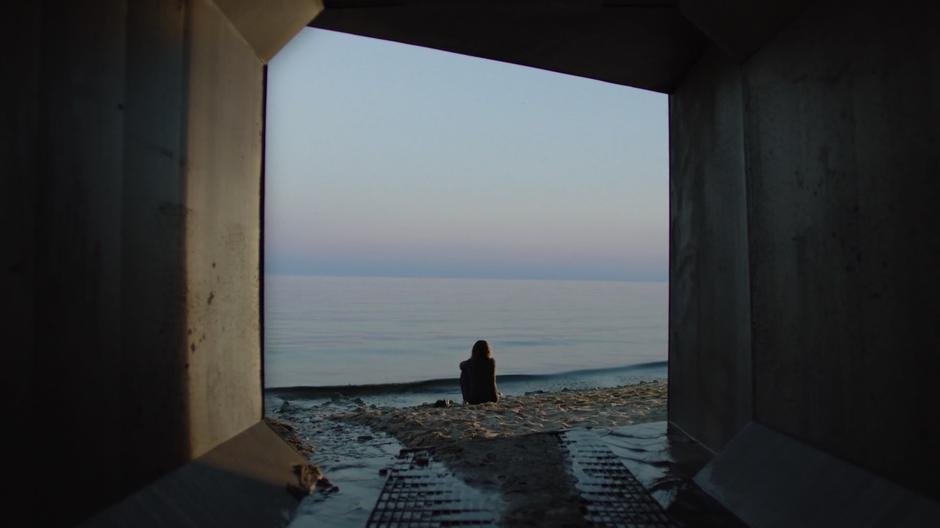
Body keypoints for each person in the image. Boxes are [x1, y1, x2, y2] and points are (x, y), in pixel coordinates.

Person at [459, 340, 500, 404]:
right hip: (492, 398)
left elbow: (461, 365)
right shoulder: (491, 362)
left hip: (474, 399)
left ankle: (465, 400)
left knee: (463, 373)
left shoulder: (470, 363)